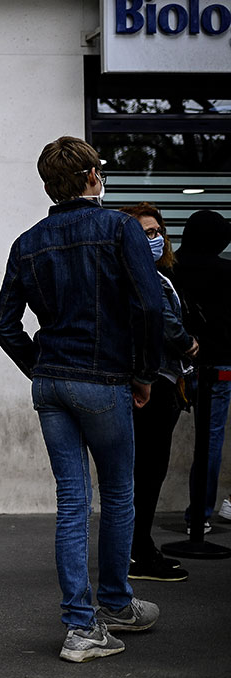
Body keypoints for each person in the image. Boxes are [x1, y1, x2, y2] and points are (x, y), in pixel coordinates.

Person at [0, 136, 163, 663]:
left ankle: (80, 626)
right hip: (103, 379)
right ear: (92, 177)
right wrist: (145, 373)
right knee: (117, 494)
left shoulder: (28, 242)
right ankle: (114, 604)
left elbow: (4, 325)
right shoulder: (118, 228)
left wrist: (40, 366)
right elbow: (150, 307)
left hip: (51, 382)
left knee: (72, 501)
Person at [119, 203, 197, 583]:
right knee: (147, 472)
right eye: (143, 233)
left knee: (146, 472)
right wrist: (189, 344)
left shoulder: (156, 273)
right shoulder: (140, 276)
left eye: (156, 231)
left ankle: (137, 548)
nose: (153, 239)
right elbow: (162, 320)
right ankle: (138, 553)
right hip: (149, 382)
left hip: (160, 379)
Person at [172, 209, 231, 533]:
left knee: (155, 440)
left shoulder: (169, 269)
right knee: (210, 439)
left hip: (175, 364)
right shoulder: (226, 271)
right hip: (218, 366)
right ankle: (200, 514)